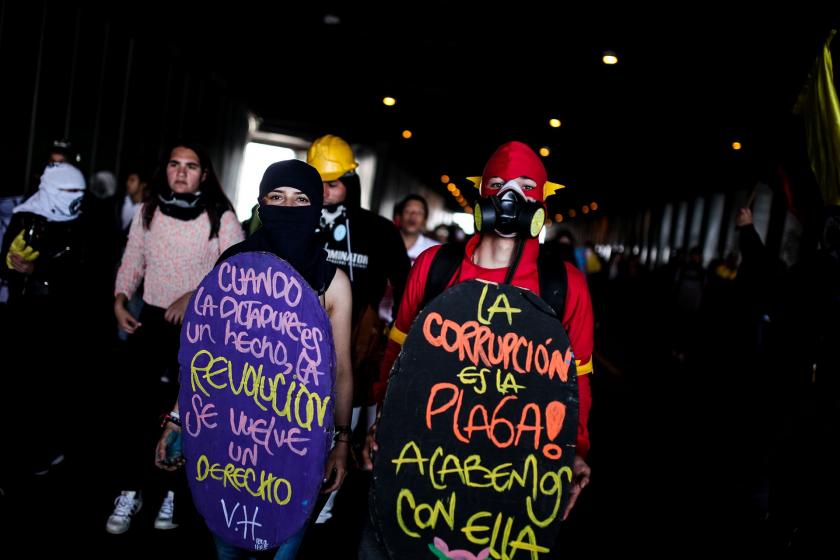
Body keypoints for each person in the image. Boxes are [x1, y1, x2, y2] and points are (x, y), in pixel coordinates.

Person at [362, 142, 594, 555]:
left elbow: (575, 383)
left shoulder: (566, 285)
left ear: (540, 204)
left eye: (525, 188)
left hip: (507, 478)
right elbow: (397, 356)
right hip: (420, 467)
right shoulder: (434, 266)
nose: (510, 199)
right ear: (482, 197)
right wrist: (385, 421)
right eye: (499, 185)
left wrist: (573, 452)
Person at [156, 159, 353, 559]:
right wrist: (177, 419)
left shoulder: (332, 281)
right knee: (226, 540)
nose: (288, 207)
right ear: (261, 204)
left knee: (286, 542)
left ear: (316, 209)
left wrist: (342, 442)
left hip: (300, 439)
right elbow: (205, 355)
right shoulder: (232, 265)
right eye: (277, 197)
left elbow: (343, 369)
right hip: (230, 431)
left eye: (301, 200)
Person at [105, 142, 243, 534]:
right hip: (150, 318)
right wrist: (119, 300)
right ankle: (132, 490)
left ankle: (172, 494)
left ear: (204, 173)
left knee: (187, 416)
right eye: (174, 165)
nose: (181, 172)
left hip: (200, 327)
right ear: (165, 170)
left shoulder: (220, 216)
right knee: (135, 410)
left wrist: (193, 295)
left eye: (191, 166)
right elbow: (133, 258)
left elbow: (233, 275)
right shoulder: (149, 211)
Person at [307, 135, 410, 441]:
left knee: (341, 427)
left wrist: (395, 332)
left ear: (350, 183)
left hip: (354, 345)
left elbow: (406, 283)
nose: (323, 192)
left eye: (333, 183)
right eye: (317, 182)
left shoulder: (379, 231)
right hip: (297, 337)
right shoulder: (295, 221)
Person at [0, 161, 89, 477]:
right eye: (67, 190)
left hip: (61, 318)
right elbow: (5, 262)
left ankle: (45, 450)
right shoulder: (26, 215)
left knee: (51, 387)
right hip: (24, 313)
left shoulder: (83, 222)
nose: (75, 197)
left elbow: (85, 272)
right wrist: (13, 263)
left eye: (79, 190)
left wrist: (41, 270)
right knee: (21, 385)